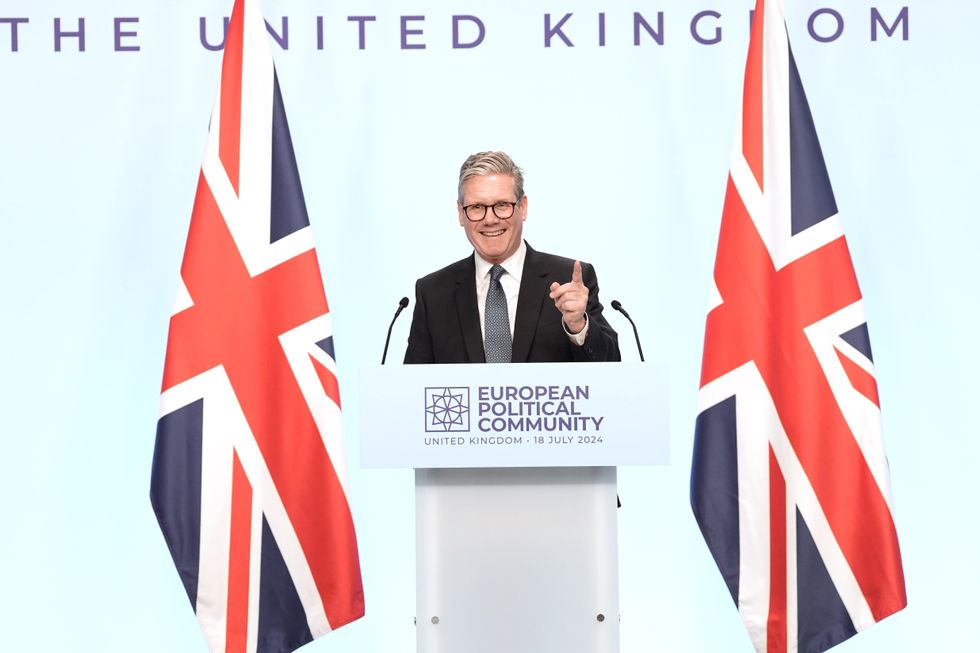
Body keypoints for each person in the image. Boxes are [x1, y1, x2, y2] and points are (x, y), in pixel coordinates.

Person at [404, 150, 620, 364]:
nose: (490, 219)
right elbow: (411, 388)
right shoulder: (433, 293)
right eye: (477, 207)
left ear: (523, 207)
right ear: (461, 213)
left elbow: (611, 367)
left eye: (502, 205)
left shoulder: (567, 280)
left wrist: (579, 326)